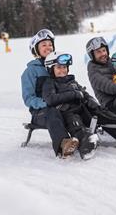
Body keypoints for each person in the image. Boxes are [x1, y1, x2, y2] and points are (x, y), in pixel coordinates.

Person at [41, 51, 116, 159]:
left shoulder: (72, 81)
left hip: (85, 109)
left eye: (64, 67)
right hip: (68, 111)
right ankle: (86, 144)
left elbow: (84, 93)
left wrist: (91, 101)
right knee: (76, 124)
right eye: (59, 68)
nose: (63, 70)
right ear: (51, 69)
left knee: (107, 117)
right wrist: (73, 94)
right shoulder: (49, 83)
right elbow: (50, 99)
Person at [21, 29, 78, 158]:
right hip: (41, 112)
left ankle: (85, 136)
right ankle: (63, 144)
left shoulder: (56, 65)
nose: (48, 47)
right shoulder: (30, 71)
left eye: (50, 44)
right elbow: (28, 98)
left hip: (60, 104)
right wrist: (46, 103)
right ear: (36, 50)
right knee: (52, 111)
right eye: (44, 45)